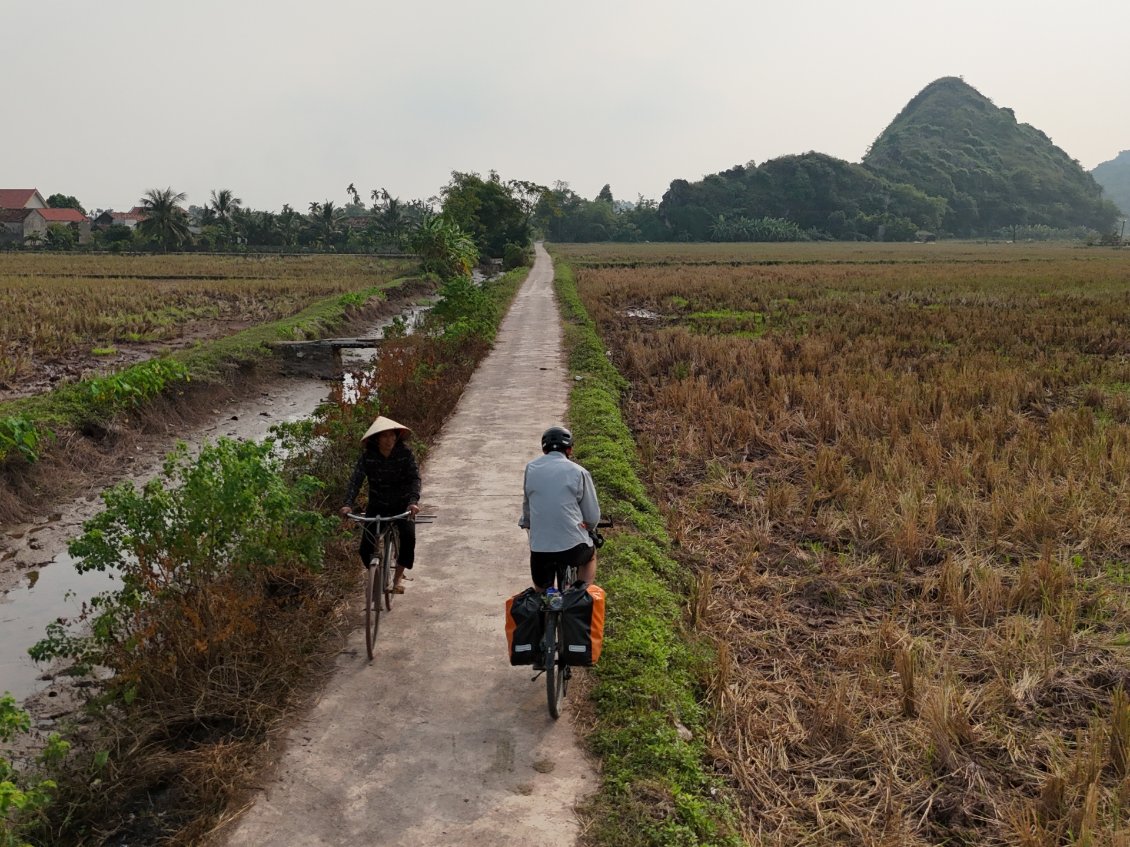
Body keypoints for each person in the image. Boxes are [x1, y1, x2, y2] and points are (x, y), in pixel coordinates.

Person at [341, 415, 421, 593]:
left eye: (392, 435)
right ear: (376, 438)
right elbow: (356, 481)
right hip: (377, 505)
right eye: (384, 436)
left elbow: (414, 479)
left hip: (402, 505)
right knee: (365, 549)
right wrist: (348, 504)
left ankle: (398, 578)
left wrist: (413, 502)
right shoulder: (368, 457)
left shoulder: (404, 454)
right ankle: (376, 577)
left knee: (409, 537)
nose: (389, 439)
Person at [518, 425, 601, 590]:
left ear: (544, 450)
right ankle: (580, 594)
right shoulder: (579, 472)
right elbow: (591, 517)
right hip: (574, 549)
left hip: (540, 551)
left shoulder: (531, 469)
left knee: (541, 594)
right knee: (590, 557)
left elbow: (527, 507)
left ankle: (543, 606)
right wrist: (590, 527)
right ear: (569, 450)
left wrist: (527, 522)